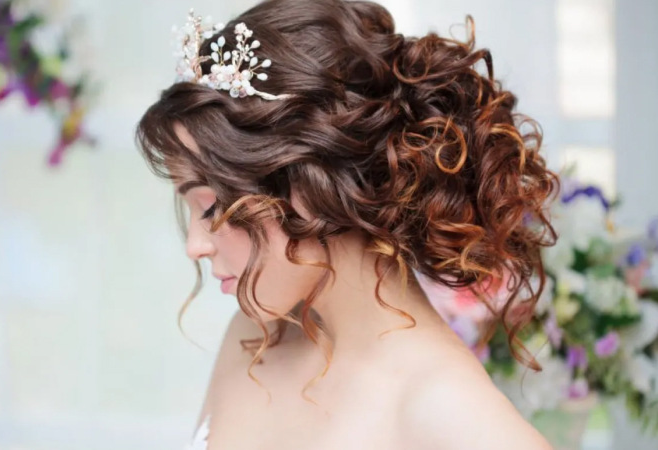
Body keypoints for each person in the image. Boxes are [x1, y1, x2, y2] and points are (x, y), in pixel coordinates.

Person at [136, 0, 558, 448]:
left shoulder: (457, 419)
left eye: (208, 207)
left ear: (309, 185)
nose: (195, 246)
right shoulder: (256, 338)